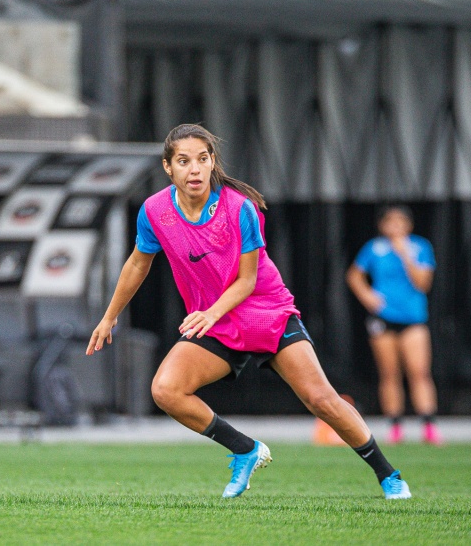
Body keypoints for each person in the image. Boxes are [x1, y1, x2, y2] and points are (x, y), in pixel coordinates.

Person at [86, 124, 411, 500]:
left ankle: (390, 476)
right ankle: (245, 449)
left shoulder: (240, 208)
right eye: (184, 161)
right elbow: (137, 264)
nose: (194, 169)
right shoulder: (155, 211)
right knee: (166, 390)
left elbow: (247, 280)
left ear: (212, 163)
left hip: (266, 313)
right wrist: (109, 316)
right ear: (167, 168)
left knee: (322, 400)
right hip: (217, 322)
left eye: (202, 160)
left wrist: (209, 312)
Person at [346, 205, 440, 445]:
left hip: (412, 318)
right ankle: (395, 425)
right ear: (383, 225)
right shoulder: (374, 248)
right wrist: (368, 296)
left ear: (408, 225)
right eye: (390, 222)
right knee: (389, 373)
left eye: (400, 222)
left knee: (419, 371)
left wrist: (405, 255)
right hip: (383, 318)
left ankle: (428, 425)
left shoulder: (420, 247)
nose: (395, 227)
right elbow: (354, 275)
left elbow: (423, 283)